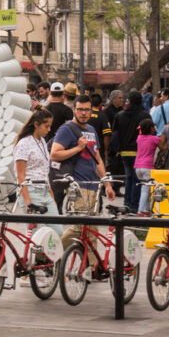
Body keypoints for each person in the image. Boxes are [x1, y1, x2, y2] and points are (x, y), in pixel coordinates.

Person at [51, 94, 114, 247]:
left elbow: (97, 159)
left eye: (87, 110)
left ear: (92, 110)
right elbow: (54, 154)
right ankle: (51, 253)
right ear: (74, 109)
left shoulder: (92, 129)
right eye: (80, 110)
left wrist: (107, 184)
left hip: (93, 185)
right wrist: (78, 148)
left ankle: (91, 267)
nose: (83, 113)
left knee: (91, 230)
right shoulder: (66, 130)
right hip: (77, 186)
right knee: (80, 227)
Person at [12, 108, 62, 235]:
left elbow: (44, 173)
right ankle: (37, 255)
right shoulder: (24, 144)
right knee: (37, 237)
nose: (49, 129)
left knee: (57, 232)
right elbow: (20, 176)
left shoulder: (42, 141)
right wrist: (28, 202)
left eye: (50, 126)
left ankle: (47, 255)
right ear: (36, 124)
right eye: (46, 126)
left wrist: (52, 197)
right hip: (31, 191)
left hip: (45, 190)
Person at [111, 91, 147, 211]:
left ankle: (127, 202)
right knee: (137, 179)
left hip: (124, 152)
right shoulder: (144, 116)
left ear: (129, 101)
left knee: (129, 177)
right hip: (139, 152)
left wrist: (116, 149)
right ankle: (134, 204)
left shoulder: (120, 115)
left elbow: (115, 134)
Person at [135, 119, 161, 214]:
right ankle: (141, 210)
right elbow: (164, 148)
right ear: (150, 128)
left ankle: (147, 209)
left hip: (138, 167)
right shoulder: (155, 139)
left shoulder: (139, 138)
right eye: (154, 127)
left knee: (146, 187)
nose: (155, 129)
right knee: (146, 189)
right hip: (148, 166)